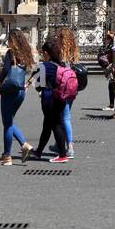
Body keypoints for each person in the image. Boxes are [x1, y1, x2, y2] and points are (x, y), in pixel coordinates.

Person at [0, 27, 35, 166]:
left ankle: (8, 155)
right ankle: (21, 146)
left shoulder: (11, 53)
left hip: (10, 90)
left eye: (9, 40)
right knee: (9, 121)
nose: (7, 42)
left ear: (13, 40)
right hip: (21, 91)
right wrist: (28, 83)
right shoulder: (26, 53)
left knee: (7, 124)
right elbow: (37, 70)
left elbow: (5, 71)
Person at [30, 36, 76, 163]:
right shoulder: (61, 64)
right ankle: (38, 151)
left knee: (55, 125)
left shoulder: (42, 66)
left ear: (46, 53)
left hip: (49, 98)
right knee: (47, 125)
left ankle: (62, 154)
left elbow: (37, 85)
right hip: (61, 97)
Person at [53, 25, 80, 159]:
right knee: (64, 115)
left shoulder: (60, 52)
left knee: (64, 117)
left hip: (63, 86)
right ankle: (59, 143)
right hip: (73, 85)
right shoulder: (73, 51)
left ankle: (69, 146)